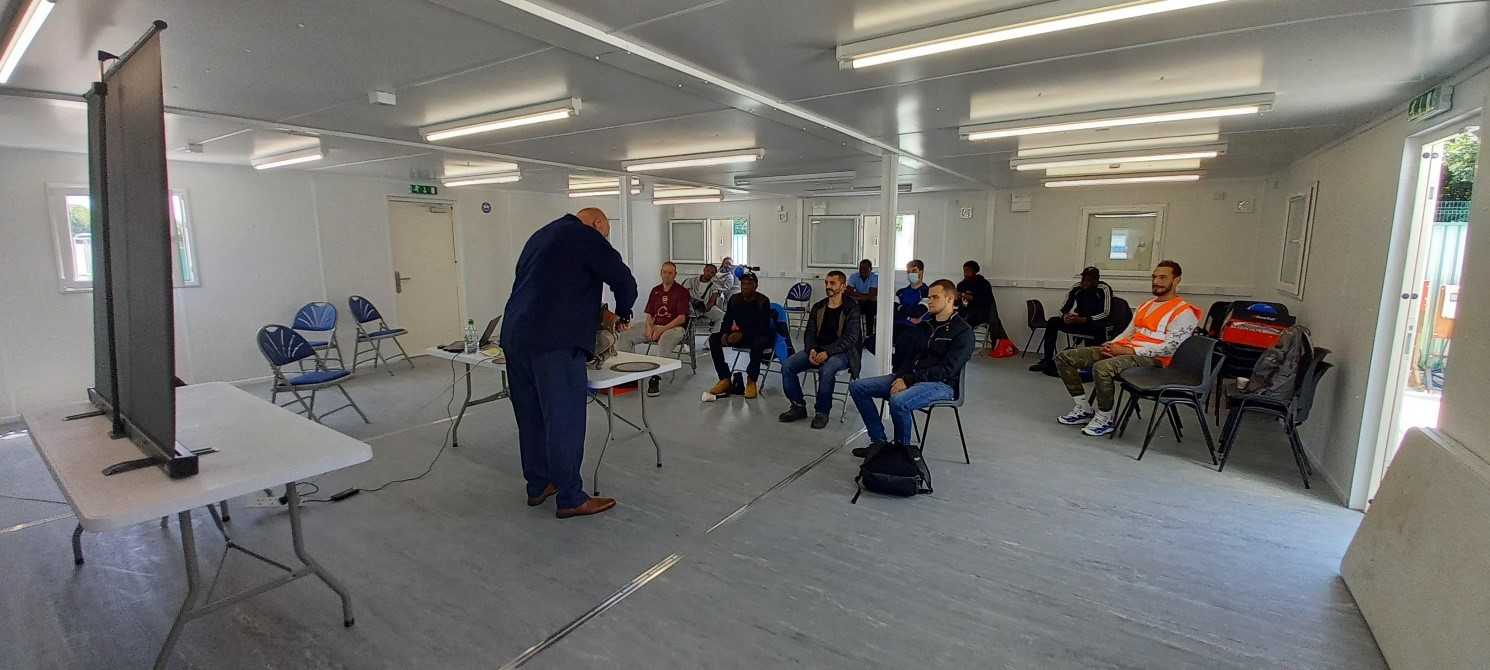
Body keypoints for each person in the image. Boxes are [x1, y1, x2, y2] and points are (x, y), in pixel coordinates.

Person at [500, 207, 636, 519]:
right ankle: (571, 496)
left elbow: (552, 288)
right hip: (554, 342)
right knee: (564, 419)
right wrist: (625, 311)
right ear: (598, 223)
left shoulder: (540, 236)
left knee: (531, 414)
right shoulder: (585, 234)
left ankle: (539, 484)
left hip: (516, 337)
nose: (602, 240)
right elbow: (622, 279)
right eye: (605, 235)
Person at [1055, 260, 1201, 437]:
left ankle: (1105, 417)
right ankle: (1083, 408)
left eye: (1163, 277)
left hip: (1157, 362)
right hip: (1127, 352)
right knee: (1064, 357)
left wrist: (1129, 351)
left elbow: (1172, 349)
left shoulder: (1184, 311)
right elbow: (1128, 333)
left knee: (1102, 368)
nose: (1156, 281)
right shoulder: (1146, 305)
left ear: (1176, 280)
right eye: (1154, 277)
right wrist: (1113, 344)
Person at [849, 279, 974, 456]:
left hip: (941, 384)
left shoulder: (963, 332)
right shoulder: (924, 326)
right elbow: (909, 357)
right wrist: (901, 376)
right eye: (929, 297)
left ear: (950, 299)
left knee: (898, 401)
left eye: (935, 297)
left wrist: (908, 380)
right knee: (858, 387)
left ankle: (902, 452)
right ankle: (879, 443)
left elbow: (947, 370)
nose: (929, 301)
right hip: (911, 378)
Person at [779, 271, 862, 429]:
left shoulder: (852, 308)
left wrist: (828, 352)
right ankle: (798, 406)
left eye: (833, 283)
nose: (828, 286)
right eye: (826, 283)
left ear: (843, 287)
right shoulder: (819, 307)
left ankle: (822, 412)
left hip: (842, 353)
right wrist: (811, 350)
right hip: (817, 350)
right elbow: (809, 332)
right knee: (787, 365)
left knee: (828, 369)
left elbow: (850, 339)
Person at [615, 261, 691, 397]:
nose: (666, 275)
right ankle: (627, 374)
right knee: (626, 335)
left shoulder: (681, 292)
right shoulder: (655, 290)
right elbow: (649, 314)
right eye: (664, 272)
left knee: (665, 341)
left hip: (674, 328)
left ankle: (656, 378)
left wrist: (661, 330)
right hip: (655, 325)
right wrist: (650, 327)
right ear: (661, 273)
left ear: (675, 275)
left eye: (670, 273)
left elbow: (681, 318)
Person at [1029, 266, 1114, 376]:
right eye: (1083, 279)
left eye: (1088, 280)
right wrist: (1066, 317)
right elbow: (1064, 308)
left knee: (1100, 328)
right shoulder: (1076, 287)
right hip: (1078, 321)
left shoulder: (1103, 289)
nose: (1084, 283)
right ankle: (1047, 360)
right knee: (1053, 321)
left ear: (1095, 281)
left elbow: (1106, 313)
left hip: (1094, 322)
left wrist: (1085, 319)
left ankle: (1095, 365)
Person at [706, 272, 774, 399]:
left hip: (757, 335)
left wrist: (743, 335)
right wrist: (726, 333)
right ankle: (724, 378)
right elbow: (727, 319)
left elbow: (763, 328)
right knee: (714, 339)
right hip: (739, 334)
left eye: (749, 284)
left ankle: (752, 380)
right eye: (743, 284)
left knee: (758, 343)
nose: (745, 286)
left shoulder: (763, 301)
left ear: (756, 286)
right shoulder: (734, 299)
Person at [892, 259, 930, 368]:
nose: (910, 274)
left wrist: (900, 308)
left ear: (921, 272)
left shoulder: (926, 292)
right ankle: (899, 362)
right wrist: (909, 316)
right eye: (908, 272)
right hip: (898, 324)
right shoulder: (900, 292)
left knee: (902, 343)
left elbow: (918, 312)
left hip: (915, 328)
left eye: (914, 271)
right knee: (871, 342)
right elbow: (893, 311)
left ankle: (900, 367)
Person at [845, 258, 879, 350]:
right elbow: (848, 292)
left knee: (870, 306)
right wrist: (863, 296)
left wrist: (856, 296)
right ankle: (855, 335)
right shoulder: (854, 276)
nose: (862, 271)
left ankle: (869, 335)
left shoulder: (875, 276)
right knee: (849, 306)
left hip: (871, 304)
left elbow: (872, 295)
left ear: (870, 269)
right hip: (859, 302)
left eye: (865, 269)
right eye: (861, 269)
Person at [682, 264, 724, 329]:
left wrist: (703, 309)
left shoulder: (714, 286)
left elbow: (711, 302)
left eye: (712, 272)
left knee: (722, 316)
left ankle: (715, 334)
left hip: (705, 308)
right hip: (690, 308)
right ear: (704, 270)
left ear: (714, 275)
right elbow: (682, 294)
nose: (709, 273)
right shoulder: (690, 281)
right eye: (708, 270)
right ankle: (686, 336)